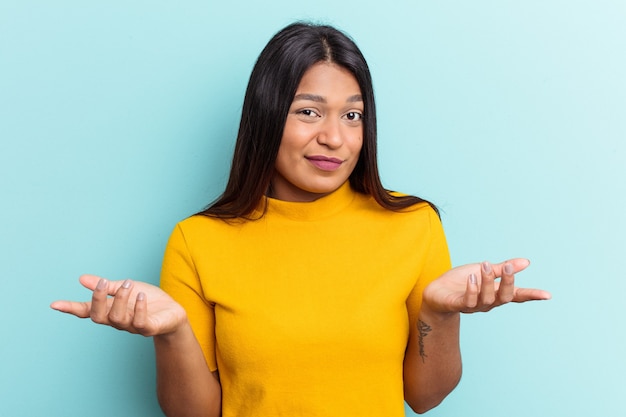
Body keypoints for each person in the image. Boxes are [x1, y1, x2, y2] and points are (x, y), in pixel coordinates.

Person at [51, 22, 551, 417]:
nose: (335, 137)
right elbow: (193, 413)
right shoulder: (197, 240)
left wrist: (440, 316)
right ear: (267, 117)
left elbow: (424, 398)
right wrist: (172, 333)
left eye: (352, 116)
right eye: (309, 112)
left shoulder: (413, 224)